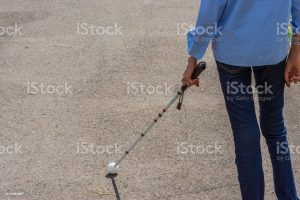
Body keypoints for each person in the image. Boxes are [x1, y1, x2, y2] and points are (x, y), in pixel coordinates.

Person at [181, 1, 300, 200]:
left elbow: (210, 15)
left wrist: (193, 58)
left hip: (232, 54)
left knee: (246, 134)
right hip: (271, 51)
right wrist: (297, 49)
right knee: (275, 129)